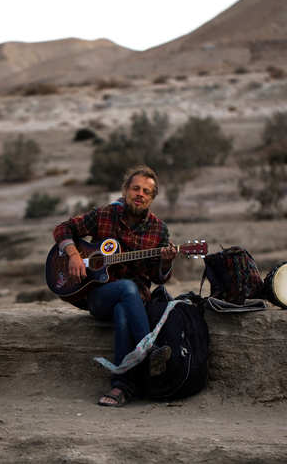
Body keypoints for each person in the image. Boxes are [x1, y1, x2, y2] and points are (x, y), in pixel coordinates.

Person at [52, 165, 177, 407]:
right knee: (125, 289)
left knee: (123, 311)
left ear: (152, 198)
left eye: (147, 192)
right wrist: (74, 254)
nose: (140, 194)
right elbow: (63, 228)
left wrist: (165, 261)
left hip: (135, 300)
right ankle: (150, 352)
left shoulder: (159, 230)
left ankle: (121, 387)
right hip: (99, 296)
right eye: (136, 188)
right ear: (125, 190)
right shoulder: (104, 215)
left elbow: (159, 278)